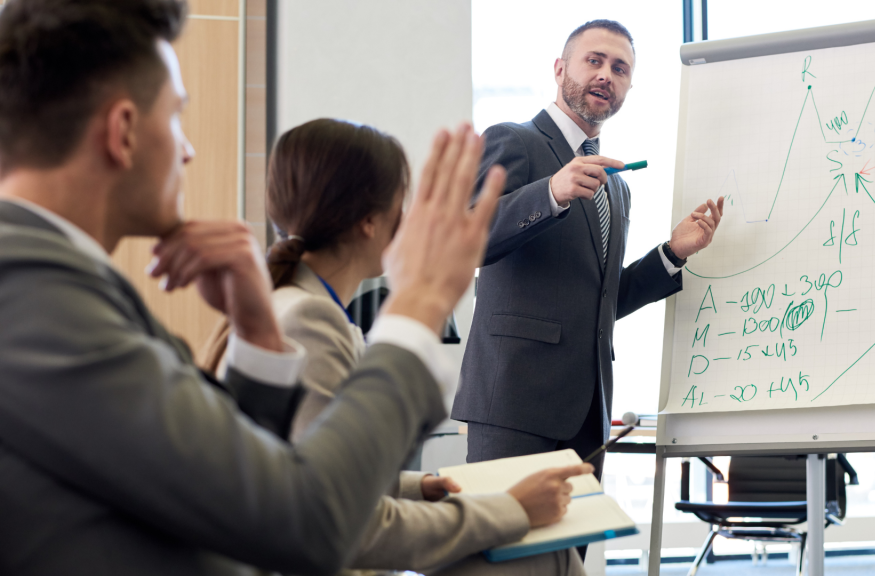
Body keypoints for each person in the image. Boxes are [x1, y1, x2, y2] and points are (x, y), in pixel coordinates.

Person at [0, 0, 512, 574]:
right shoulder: (32, 298)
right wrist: (416, 308)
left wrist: (259, 335)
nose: (188, 149)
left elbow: (231, 489)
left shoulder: (51, 283)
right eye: (176, 119)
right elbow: (307, 523)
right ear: (122, 132)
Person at [203, 118, 589, 575]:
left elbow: (308, 472)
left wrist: (417, 486)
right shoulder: (310, 320)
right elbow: (348, 525)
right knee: (546, 551)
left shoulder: (296, 307)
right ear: (370, 222)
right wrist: (512, 511)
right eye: (400, 205)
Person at [453, 20, 726, 481]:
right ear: (560, 70)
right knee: (503, 549)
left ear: (627, 88)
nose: (606, 75)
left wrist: (672, 253)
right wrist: (550, 194)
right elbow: (466, 242)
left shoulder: (614, 189)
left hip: (587, 416)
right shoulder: (512, 140)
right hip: (513, 405)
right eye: (593, 61)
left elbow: (601, 302)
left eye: (619, 69)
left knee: (569, 556)